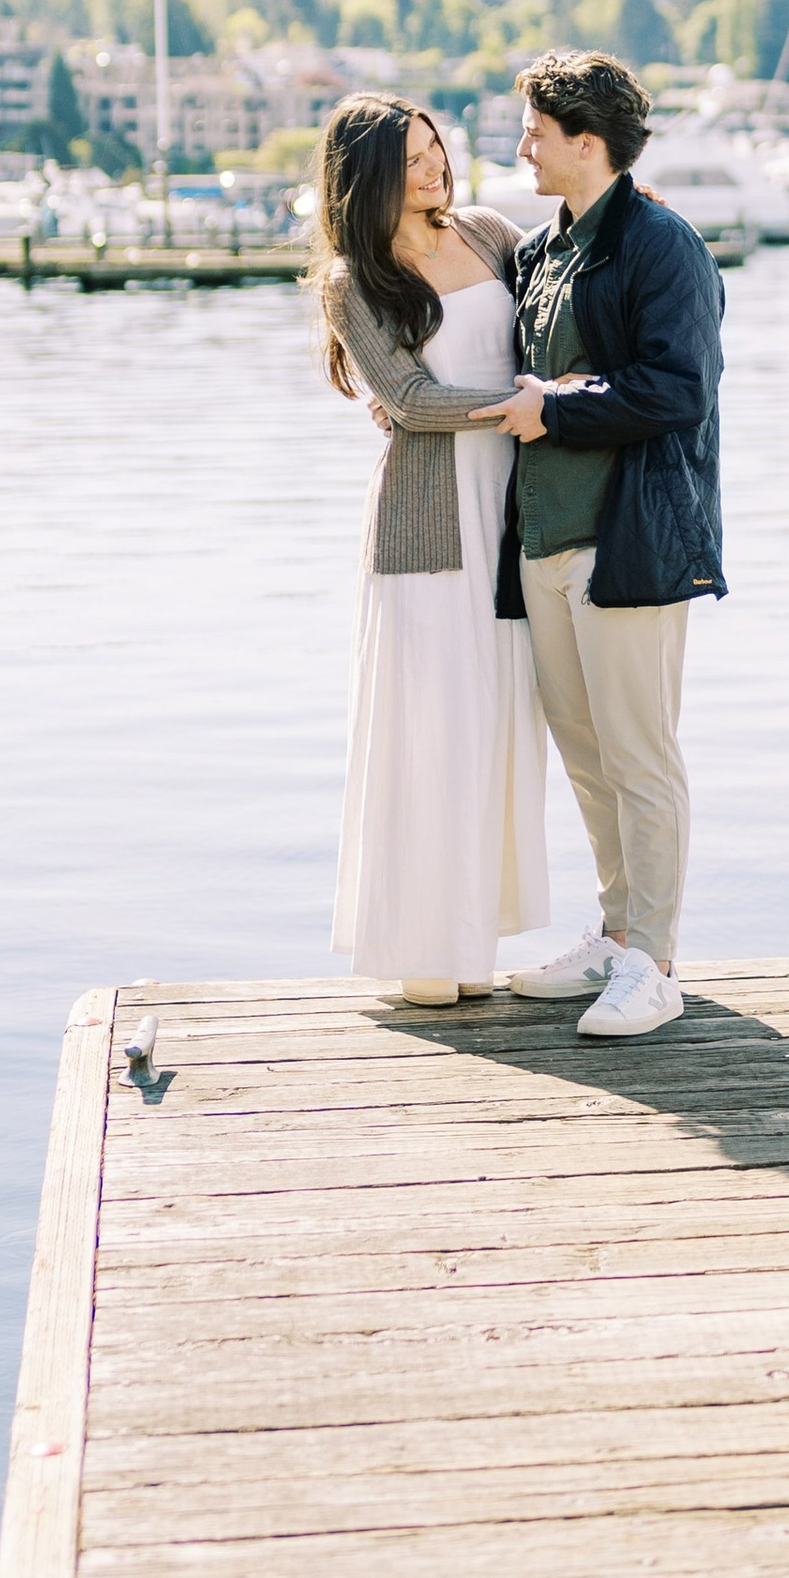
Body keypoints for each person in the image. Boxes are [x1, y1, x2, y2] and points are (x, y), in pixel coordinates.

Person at [484, 49, 727, 1040]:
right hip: (543, 543)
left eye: (536, 132)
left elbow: (678, 390)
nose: (523, 147)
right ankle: (617, 933)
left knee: (639, 755)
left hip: (626, 544)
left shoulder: (662, 246)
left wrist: (557, 407)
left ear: (587, 143)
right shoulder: (544, 249)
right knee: (586, 755)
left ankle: (654, 963)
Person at [314, 96, 547, 1005]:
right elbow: (409, 402)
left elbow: (560, 306)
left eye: (434, 148)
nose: (432, 169)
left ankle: (471, 938)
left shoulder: (488, 233)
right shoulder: (353, 279)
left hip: (509, 507)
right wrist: (522, 406)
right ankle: (422, 952)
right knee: (431, 730)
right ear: (367, 178)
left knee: (493, 722)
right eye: (409, 160)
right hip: (428, 523)